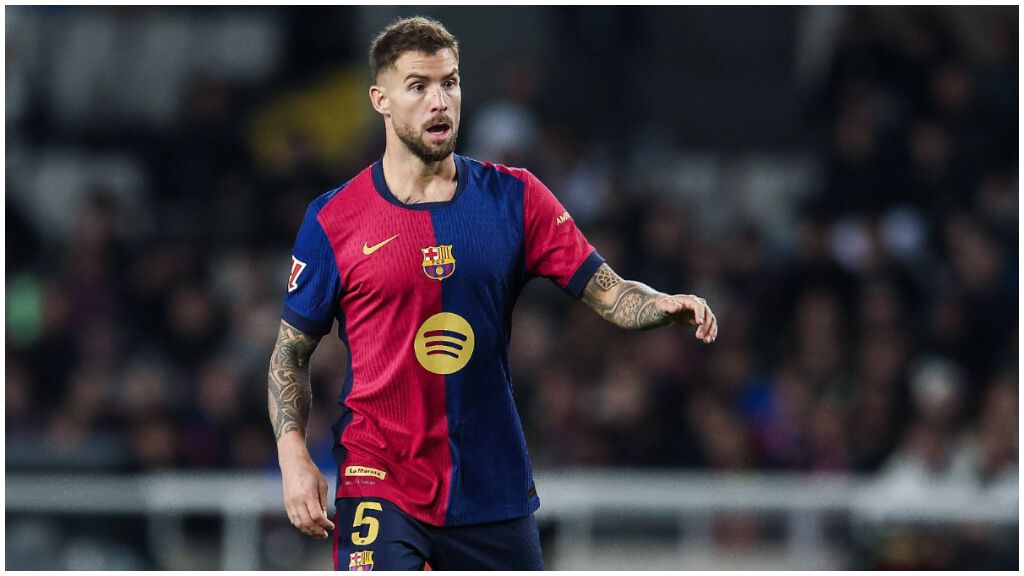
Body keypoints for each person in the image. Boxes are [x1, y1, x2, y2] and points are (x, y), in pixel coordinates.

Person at [267, 16, 718, 571]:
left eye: (450, 83)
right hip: (379, 476)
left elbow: (610, 292)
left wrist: (661, 305)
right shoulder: (335, 219)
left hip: (489, 483)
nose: (440, 101)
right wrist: (293, 455)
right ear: (381, 99)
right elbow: (291, 351)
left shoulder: (515, 198)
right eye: (419, 86)